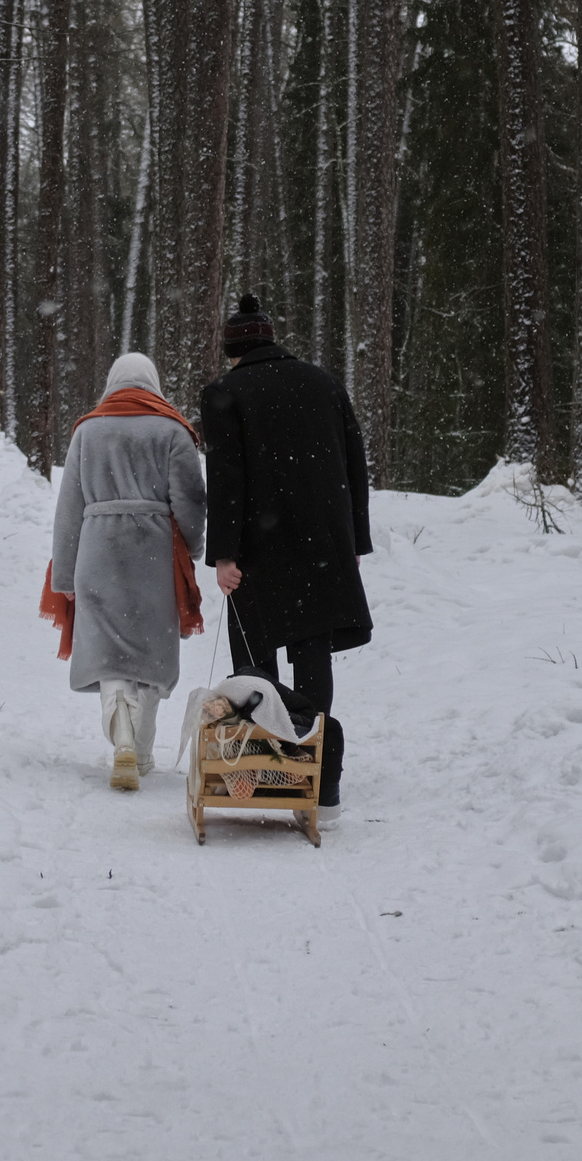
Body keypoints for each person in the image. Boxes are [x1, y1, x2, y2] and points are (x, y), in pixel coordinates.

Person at [198, 295, 370, 810]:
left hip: (258, 550)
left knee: (254, 663)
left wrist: (224, 555)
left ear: (233, 350)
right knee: (313, 653)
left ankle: (265, 768)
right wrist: (354, 542)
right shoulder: (324, 383)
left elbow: (226, 479)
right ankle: (320, 769)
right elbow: (354, 464)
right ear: (271, 339)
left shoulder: (225, 393)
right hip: (322, 544)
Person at [42, 352, 208, 791]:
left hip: (97, 550)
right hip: (154, 552)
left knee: (109, 650)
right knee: (150, 653)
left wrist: (65, 576)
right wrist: (192, 548)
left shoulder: (88, 430)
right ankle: (143, 749)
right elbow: (191, 501)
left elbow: (69, 507)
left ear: (112, 382)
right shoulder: (173, 430)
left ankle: (122, 740)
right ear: (153, 382)